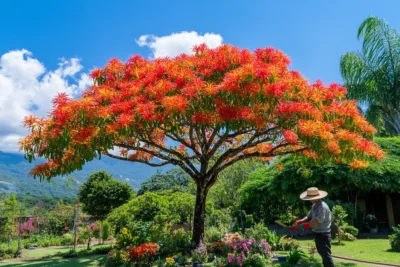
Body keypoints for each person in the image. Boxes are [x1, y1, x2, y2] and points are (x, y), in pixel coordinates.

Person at [294, 187, 334, 267]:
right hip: (318, 234)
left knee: (326, 256)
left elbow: (315, 222)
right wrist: (300, 221)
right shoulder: (314, 205)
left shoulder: (322, 207)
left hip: (324, 235)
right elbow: (308, 216)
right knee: (323, 254)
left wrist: (301, 227)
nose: (309, 199)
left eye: (310, 198)